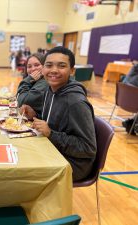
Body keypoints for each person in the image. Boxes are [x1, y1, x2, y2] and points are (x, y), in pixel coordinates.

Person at [20, 46, 97, 181]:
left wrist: (51, 133)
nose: (54, 70)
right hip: (53, 149)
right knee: (19, 152)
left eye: (61, 66)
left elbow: (87, 148)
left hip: (73, 164)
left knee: (21, 171)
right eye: (49, 65)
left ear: (72, 71)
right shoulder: (51, 90)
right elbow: (54, 121)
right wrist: (35, 115)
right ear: (43, 69)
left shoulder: (76, 102)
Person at [16, 53, 48, 118]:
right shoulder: (35, 81)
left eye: (37, 65)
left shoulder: (44, 82)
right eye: (29, 66)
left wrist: (28, 80)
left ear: (45, 66)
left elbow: (22, 102)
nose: (33, 69)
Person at [121, 62, 138, 135]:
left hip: (122, 101)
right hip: (134, 104)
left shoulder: (133, 69)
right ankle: (133, 123)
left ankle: (132, 122)